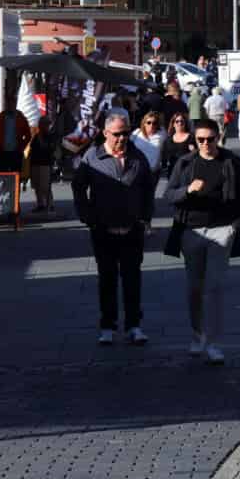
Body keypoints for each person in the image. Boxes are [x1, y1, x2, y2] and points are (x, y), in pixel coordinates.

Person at [164, 118, 240, 365]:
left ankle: (213, 342)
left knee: (214, 287)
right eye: (200, 139)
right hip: (191, 231)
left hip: (221, 230)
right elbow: (168, 195)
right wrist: (188, 191)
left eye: (210, 139)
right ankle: (197, 334)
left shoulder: (231, 162)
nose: (205, 144)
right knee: (194, 287)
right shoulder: (185, 163)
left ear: (218, 137)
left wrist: (235, 229)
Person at [72, 113, 154, 345]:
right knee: (107, 278)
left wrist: (145, 217)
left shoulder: (137, 157)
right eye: (117, 134)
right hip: (103, 228)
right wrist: (87, 216)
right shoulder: (93, 156)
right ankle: (107, 326)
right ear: (106, 133)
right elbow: (78, 186)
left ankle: (134, 326)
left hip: (131, 228)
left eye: (125, 133)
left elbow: (148, 188)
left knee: (132, 278)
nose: (121, 138)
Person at [27, 114, 57, 215]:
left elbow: (49, 149)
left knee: (45, 186)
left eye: (43, 124)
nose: (41, 126)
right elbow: (31, 148)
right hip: (35, 163)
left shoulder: (50, 136)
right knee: (37, 185)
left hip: (45, 164)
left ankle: (50, 204)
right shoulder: (36, 136)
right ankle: (40, 204)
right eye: (41, 124)